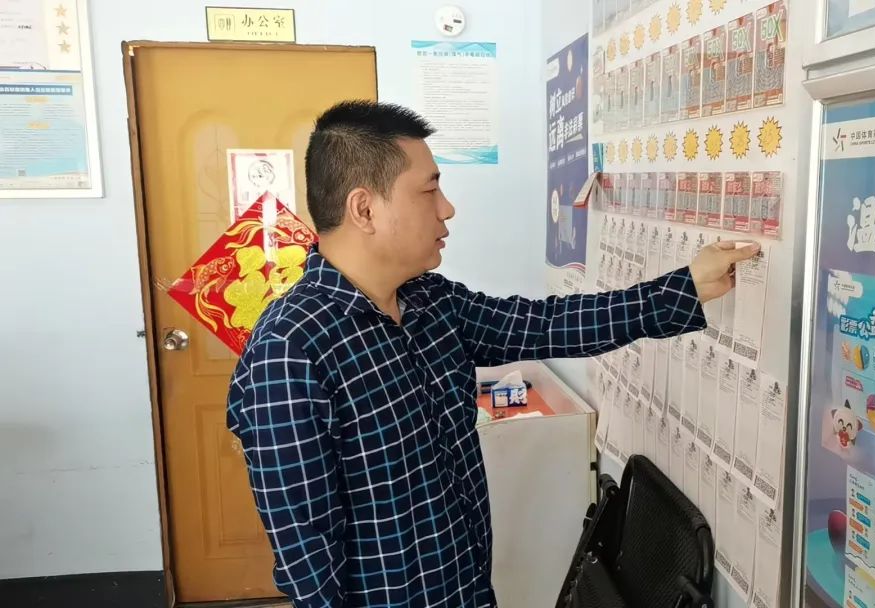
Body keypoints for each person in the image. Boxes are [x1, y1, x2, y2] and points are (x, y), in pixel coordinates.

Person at [226, 100, 760, 608]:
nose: (447, 208)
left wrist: (685, 288)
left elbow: (547, 325)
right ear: (364, 209)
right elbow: (310, 561)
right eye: (429, 190)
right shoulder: (290, 352)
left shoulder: (429, 302)